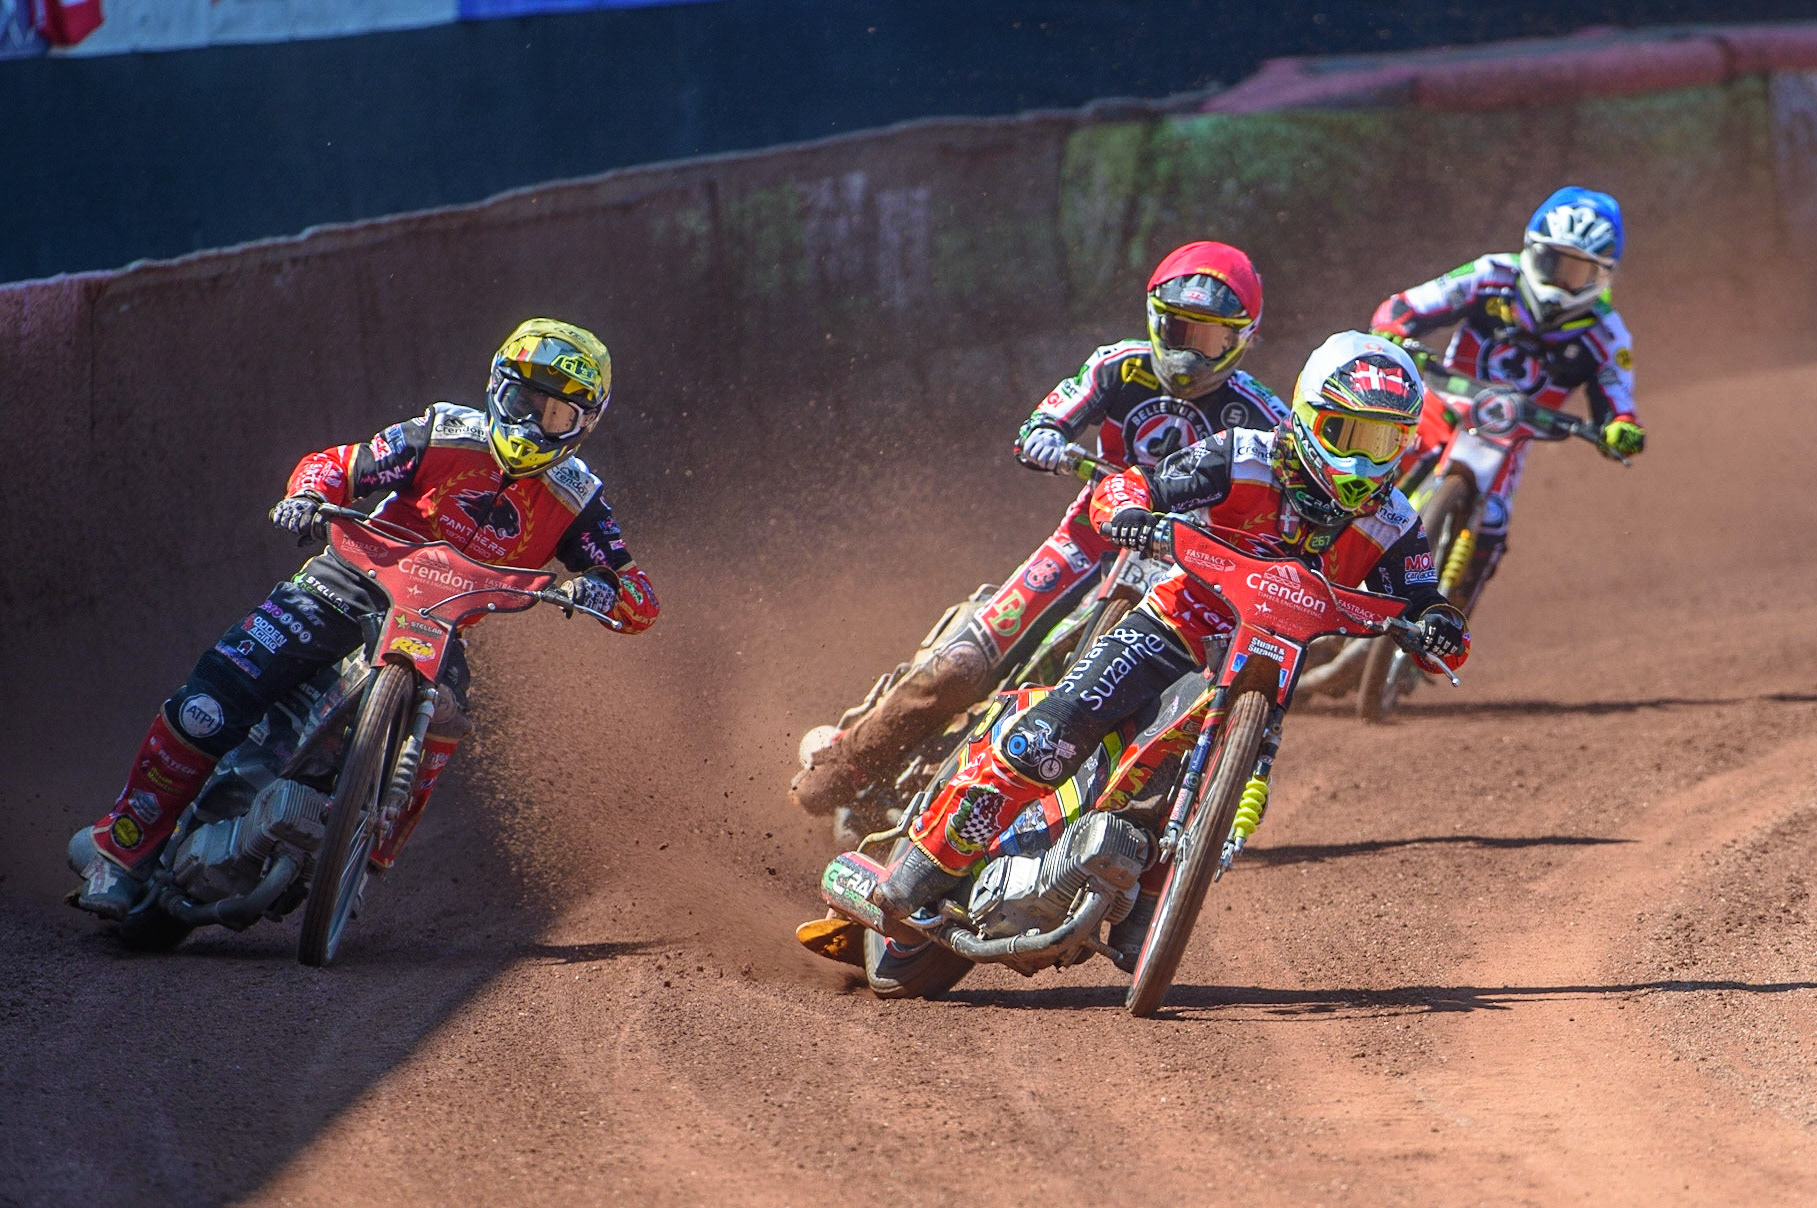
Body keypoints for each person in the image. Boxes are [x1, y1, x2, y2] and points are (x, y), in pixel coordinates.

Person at [861, 332, 1470, 956]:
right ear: (1314, 418)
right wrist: (1131, 512)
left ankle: (1143, 902)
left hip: (1264, 663)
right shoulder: (1242, 456)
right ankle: (928, 861)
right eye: (1355, 437)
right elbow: (1138, 485)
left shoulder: (1394, 521)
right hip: (1178, 621)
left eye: (1388, 441)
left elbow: (1424, 599)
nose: (1369, 461)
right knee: (1059, 731)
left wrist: (1440, 626)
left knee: (1188, 797)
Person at [67, 318, 660, 918]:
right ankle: (119, 846)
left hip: (438, 620)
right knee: (214, 697)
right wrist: (306, 497)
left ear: (582, 427)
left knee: (449, 713)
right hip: (348, 580)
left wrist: (600, 593)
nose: (534, 423)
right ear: (495, 386)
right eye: (524, 400)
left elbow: (639, 594)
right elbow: (342, 463)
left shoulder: (576, 498)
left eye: (556, 415)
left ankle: (367, 855)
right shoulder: (442, 434)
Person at [790, 241, 1288, 821]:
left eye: (1211, 339)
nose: (1192, 352)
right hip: (1086, 544)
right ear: (1156, 320)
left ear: (1243, 338)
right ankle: (852, 762)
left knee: (1156, 701)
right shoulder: (1118, 365)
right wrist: (1049, 437)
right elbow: (1047, 417)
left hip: (1181, 568)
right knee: (962, 667)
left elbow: (1291, 497)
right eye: (1181, 330)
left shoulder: (1262, 415)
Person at [1371, 186, 1644, 587]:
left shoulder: (1607, 334)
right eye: (1554, 263)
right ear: (1532, 250)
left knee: (1492, 529)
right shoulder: (1490, 276)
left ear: (1602, 277)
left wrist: (1620, 425)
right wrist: (1393, 330)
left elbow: (1617, 399)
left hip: (1510, 436)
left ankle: (1445, 624)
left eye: (1579, 272)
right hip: (1441, 404)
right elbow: (1405, 305)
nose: (1562, 282)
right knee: (1372, 465)